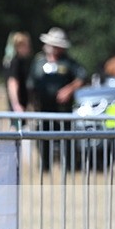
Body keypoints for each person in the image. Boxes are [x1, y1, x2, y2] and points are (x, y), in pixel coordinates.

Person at [27, 27, 86, 171]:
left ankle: (69, 167)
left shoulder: (68, 62)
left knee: (66, 137)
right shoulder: (39, 61)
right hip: (43, 108)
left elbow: (82, 76)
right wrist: (31, 103)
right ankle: (45, 166)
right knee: (43, 137)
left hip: (63, 110)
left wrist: (69, 89)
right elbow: (31, 83)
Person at [5, 32, 31, 115]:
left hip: (22, 104)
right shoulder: (15, 62)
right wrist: (16, 104)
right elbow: (12, 83)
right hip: (18, 107)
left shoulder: (20, 62)